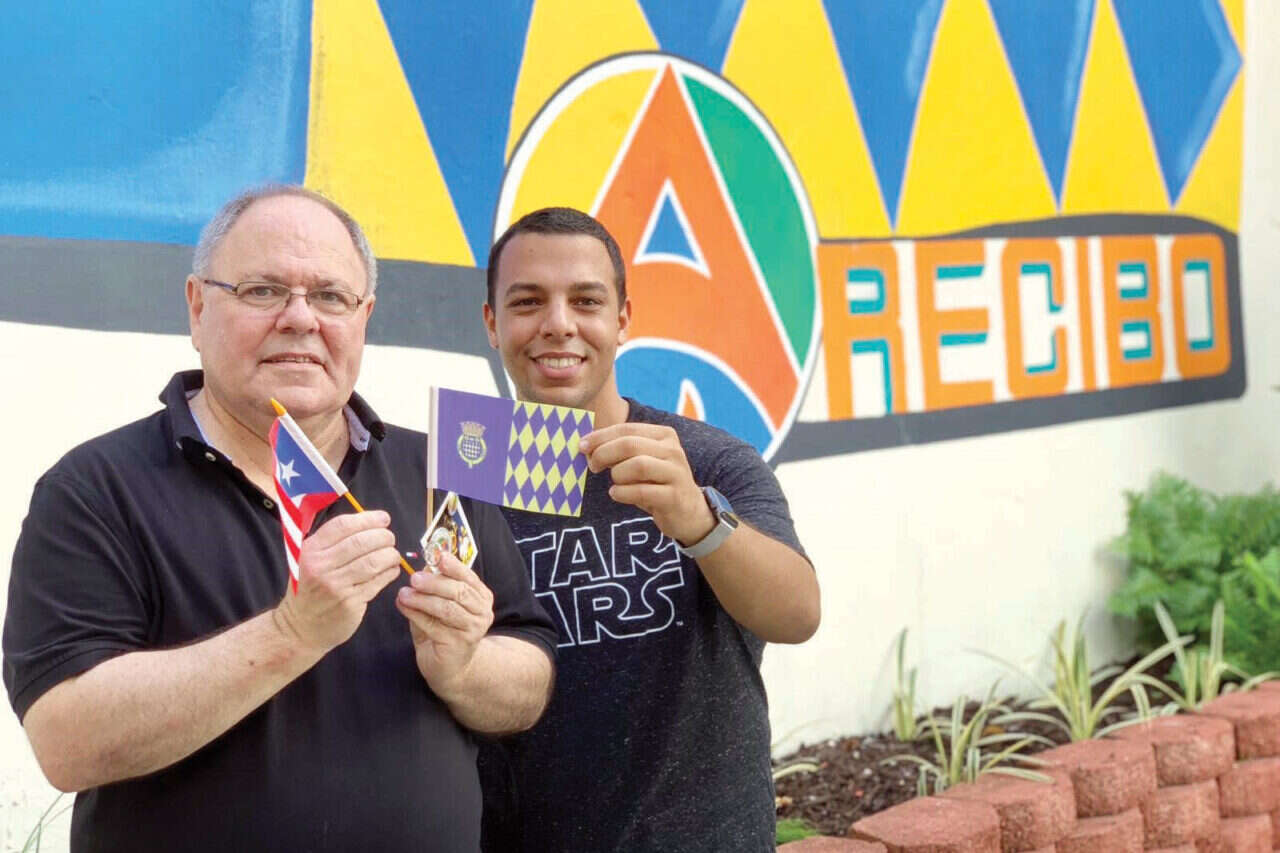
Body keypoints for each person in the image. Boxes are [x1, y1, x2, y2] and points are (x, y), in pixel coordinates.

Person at [2, 186, 558, 852]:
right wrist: (292, 633)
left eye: (330, 296)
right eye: (263, 290)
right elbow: (66, 741)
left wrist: (465, 667)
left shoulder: (444, 471)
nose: (300, 319)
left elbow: (530, 678)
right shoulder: (94, 488)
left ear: (364, 317)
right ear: (198, 307)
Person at [479, 207, 821, 851]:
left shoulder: (709, 461)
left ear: (622, 319)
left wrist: (698, 520)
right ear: (492, 323)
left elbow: (797, 614)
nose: (558, 324)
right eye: (527, 302)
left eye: (586, 301)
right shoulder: (461, 477)